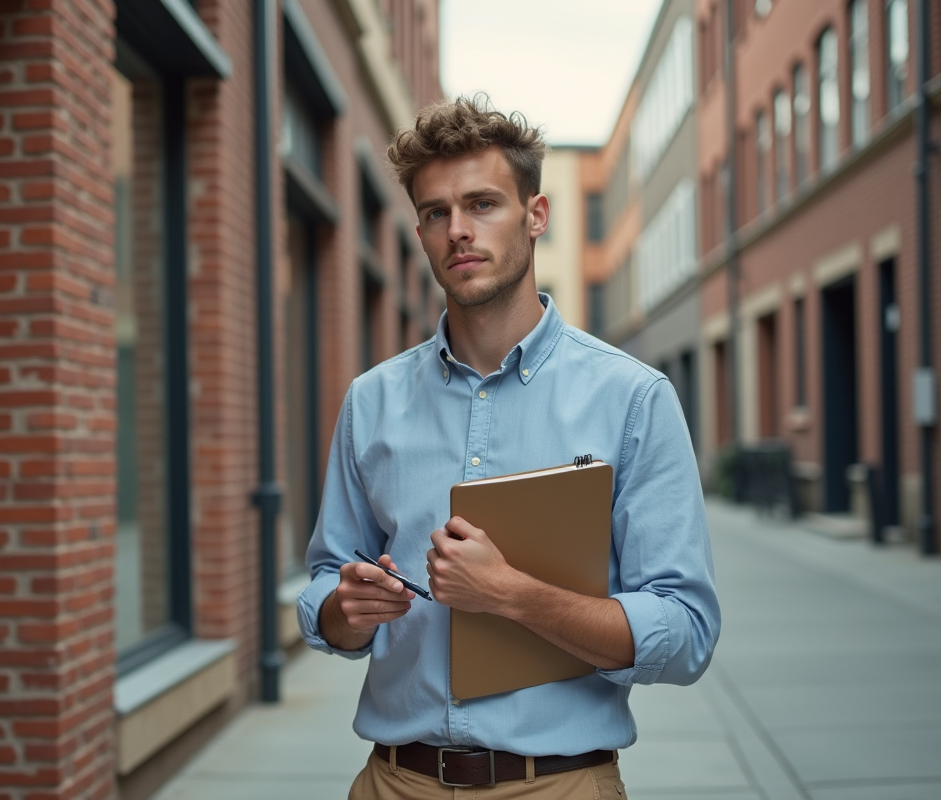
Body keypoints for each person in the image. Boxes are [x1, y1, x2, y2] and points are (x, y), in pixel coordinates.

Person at [298, 95, 720, 798]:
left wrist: (513, 596)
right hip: (394, 781)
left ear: (536, 215)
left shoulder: (632, 399)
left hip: (558, 784)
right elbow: (324, 590)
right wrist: (346, 610)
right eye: (436, 213)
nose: (458, 230)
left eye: (483, 203)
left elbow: (686, 632)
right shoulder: (371, 401)